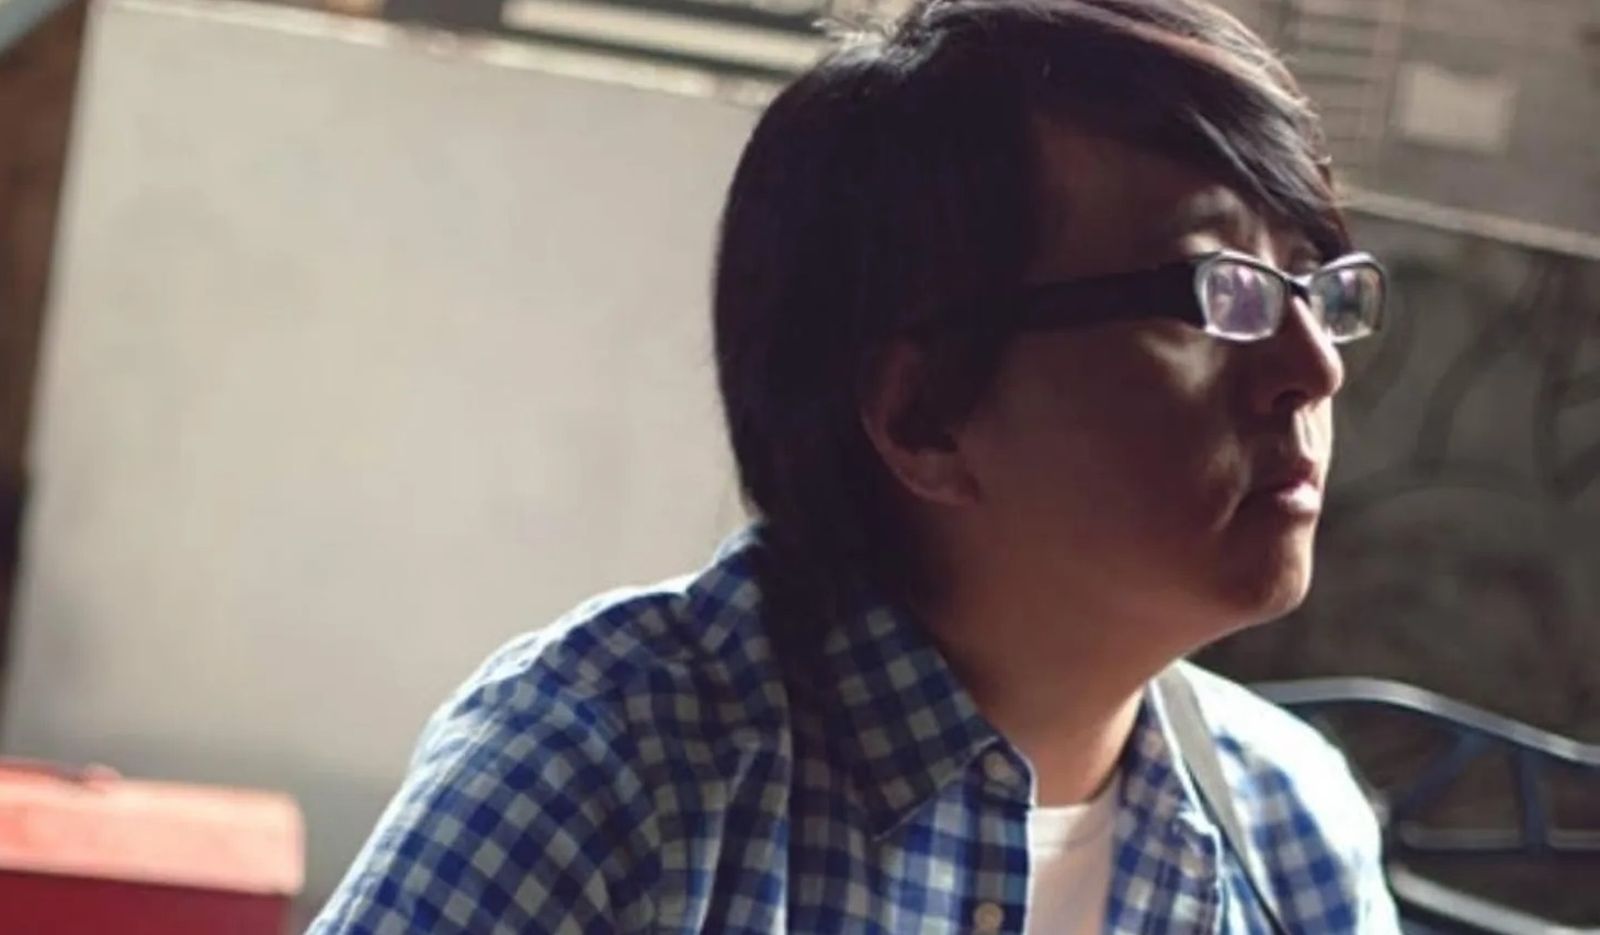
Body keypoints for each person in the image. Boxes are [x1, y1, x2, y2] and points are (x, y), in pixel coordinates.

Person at [310, 0, 1402, 931]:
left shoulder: (1292, 833)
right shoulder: (605, 774)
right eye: (1216, 291)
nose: (1313, 367)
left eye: (1312, 285)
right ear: (924, 416)